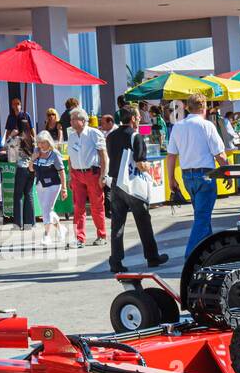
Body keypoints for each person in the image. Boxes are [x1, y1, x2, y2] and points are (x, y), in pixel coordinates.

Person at [105, 107, 167, 273]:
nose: (140, 119)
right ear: (132, 118)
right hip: (132, 183)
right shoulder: (135, 136)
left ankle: (115, 261)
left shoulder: (110, 136)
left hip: (116, 183)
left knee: (117, 224)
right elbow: (140, 163)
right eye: (139, 117)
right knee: (143, 220)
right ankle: (152, 257)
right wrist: (148, 167)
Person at [167, 95, 230, 257]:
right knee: (202, 218)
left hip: (187, 176)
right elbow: (220, 155)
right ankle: (190, 256)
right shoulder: (206, 125)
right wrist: (228, 172)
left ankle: (210, 253)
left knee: (202, 215)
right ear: (205, 108)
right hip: (205, 175)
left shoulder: (177, 126)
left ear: (187, 107)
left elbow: (171, 155)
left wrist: (171, 179)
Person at [65, 108, 108, 248]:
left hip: (92, 173)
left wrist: (103, 175)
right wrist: (70, 175)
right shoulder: (71, 136)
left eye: (73, 119)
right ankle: (79, 238)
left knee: (97, 206)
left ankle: (101, 235)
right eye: (71, 119)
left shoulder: (94, 133)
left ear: (83, 121)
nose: (71, 121)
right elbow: (70, 158)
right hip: (77, 175)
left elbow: (103, 155)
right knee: (78, 207)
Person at [31, 131, 67, 247]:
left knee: (46, 209)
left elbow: (62, 172)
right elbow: (31, 169)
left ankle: (46, 236)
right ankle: (61, 228)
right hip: (40, 185)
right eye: (39, 142)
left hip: (53, 184)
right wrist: (33, 158)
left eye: (43, 142)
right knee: (47, 210)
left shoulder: (54, 154)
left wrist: (64, 188)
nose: (40, 145)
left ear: (48, 142)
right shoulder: (36, 152)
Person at [9, 121, 37, 232]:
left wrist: (11, 135)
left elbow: (10, 154)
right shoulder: (33, 139)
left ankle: (17, 224)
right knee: (29, 195)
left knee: (18, 196)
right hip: (31, 168)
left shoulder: (17, 139)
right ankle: (29, 223)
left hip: (21, 168)